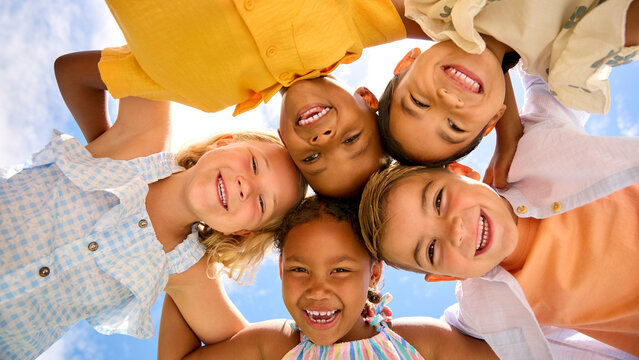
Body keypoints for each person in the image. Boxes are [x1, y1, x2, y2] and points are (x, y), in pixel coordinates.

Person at [0, 88, 307, 358]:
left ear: (241, 232)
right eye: (254, 164)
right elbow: (73, 73)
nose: (246, 186)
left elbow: (250, 345)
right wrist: (107, 145)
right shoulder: (145, 135)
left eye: (262, 203)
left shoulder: (186, 270)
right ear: (222, 143)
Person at [358, 70, 639, 357]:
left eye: (439, 201)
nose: (454, 231)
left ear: (461, 170)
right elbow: (408, 345)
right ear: (444, 275)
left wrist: (506, 113)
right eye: (431, 249)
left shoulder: (532, 149)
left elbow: (552, 57)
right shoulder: (484, 309)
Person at [53, 0, 429, 197]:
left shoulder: (203, 93)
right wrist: (492, 139)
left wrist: (107, 151)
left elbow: (71, 74)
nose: (323, 140)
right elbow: (470, 27)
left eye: (312, 157)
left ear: (285, 143)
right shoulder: (363, 20)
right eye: (352, 139)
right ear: (368, 98)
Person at [158, 196, 496, 359]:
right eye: (299, 269)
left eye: (341, 270)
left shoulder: (420, 342)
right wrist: (182, 254)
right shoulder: (275, 344)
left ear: (374, 274)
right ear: (280, 271)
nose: (317, 288)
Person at [376, 0, 639, 188]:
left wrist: (508, 132)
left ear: (407, 63)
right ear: (493, 118)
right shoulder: (565, 63)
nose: (449, 100)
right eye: (454, 126)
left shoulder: (432, 5)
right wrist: (509, 133)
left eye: (419, 102)